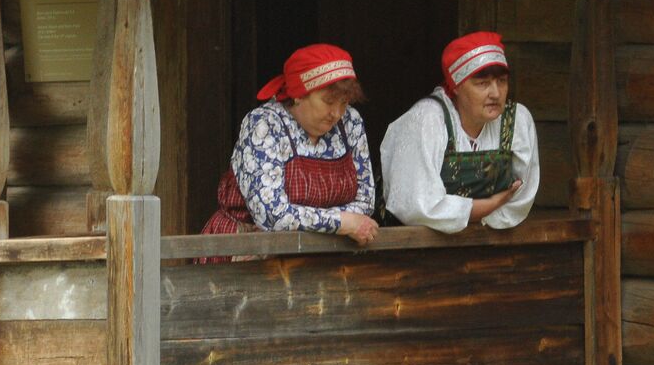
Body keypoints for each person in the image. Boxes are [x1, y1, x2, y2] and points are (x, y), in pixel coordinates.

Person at [202, 43, 378, 256]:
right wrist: (343, 223)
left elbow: (365, 201)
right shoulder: (264, 124)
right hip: (249, 259)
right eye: (329, 101)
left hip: (323, 261)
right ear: (298, 94)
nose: (337, 113)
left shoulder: (350, 122)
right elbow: (272, 215)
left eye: (344, 102)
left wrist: (318, 223)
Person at [380, 31, 540, 232]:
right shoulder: (427, 120)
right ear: (455, 86)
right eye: (482, 84)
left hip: (492, 241)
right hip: (414, 247)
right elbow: (415, 204)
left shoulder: (516, 120)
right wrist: (486, 206)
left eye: (501, 81)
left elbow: (523, 192)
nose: (496, 93)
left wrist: (481, 223)